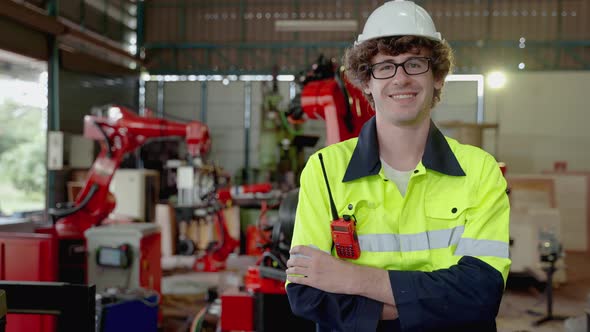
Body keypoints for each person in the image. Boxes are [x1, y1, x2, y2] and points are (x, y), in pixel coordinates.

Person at [285, 1, 511, 331]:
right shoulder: (324, 170)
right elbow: (306, 295)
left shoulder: (480, 171)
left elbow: (481, 294)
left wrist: (352, 278)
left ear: (437, 78)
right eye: (385, 66)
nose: (401, 78)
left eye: (414, 64)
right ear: (366, 82)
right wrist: (429, 304)